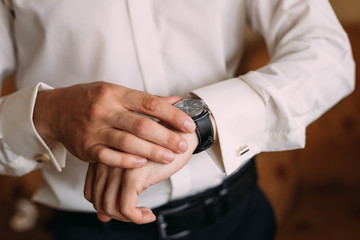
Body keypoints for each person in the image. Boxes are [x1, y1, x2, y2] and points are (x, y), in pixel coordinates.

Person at [0, 0, 355, 239]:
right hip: (90, 227)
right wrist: (47, 113)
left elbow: (327, 53)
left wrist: (202, 123)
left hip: (240, 216)